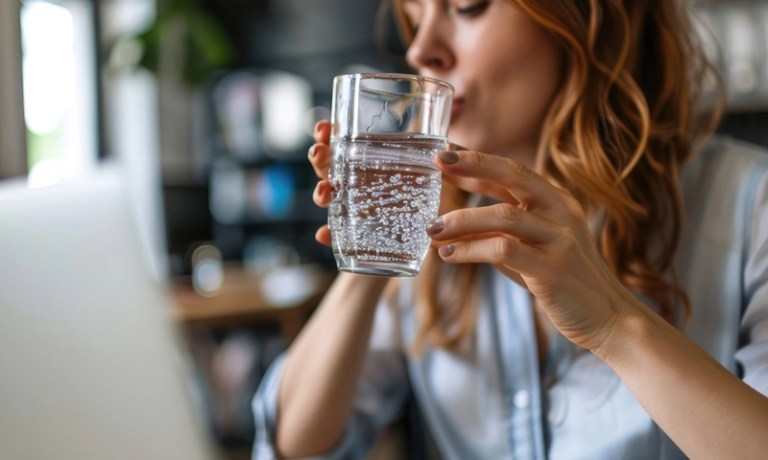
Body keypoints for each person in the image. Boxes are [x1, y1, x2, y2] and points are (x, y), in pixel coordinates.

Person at [252, 0, 768, 458]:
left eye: (467, 8)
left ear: (583, 19)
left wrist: (613, 325)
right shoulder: (433, 226)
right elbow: (292, 446)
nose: (422, 50)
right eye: (415, 17)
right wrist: (375, 230)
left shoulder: (749, 205)